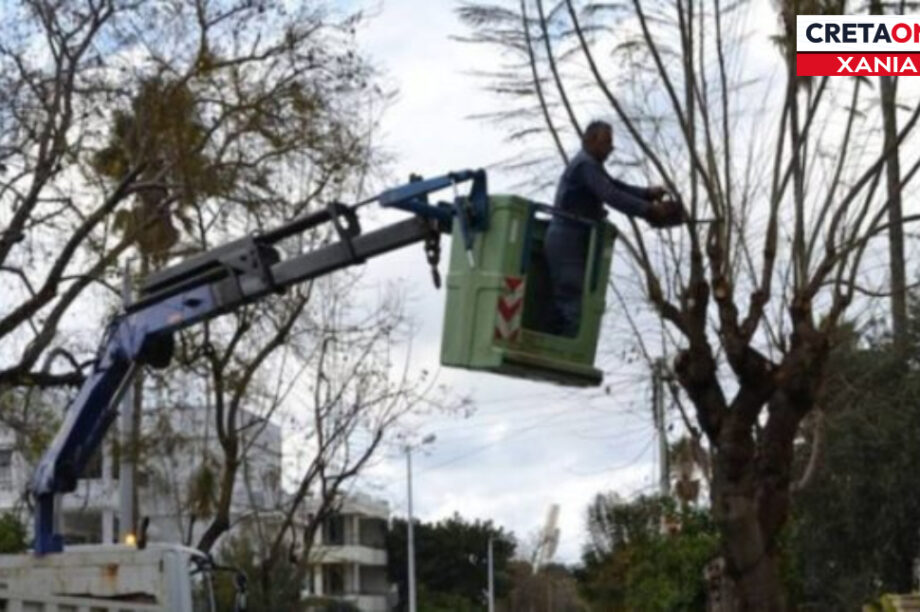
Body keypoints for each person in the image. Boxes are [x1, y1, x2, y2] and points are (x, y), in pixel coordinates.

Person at [544, 120, 683, 337]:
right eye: (606, 142)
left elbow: (615, 186)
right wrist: (649, 210)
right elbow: (610, 195)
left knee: (575, 302)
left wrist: (646, 194)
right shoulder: (585, 165)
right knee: (572, 302)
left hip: (573, 238)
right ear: (590, 140)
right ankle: (562, 351)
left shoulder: (592, 166)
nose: (610, 149)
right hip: (567, 239)